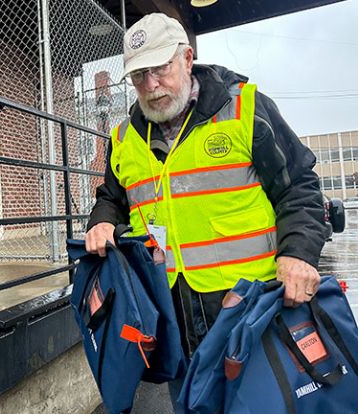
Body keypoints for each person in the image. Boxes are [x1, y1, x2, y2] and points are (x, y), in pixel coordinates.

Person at [84, 12, 326, 412]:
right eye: (139, 76)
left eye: (160, 68)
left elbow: (299, 186)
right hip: (172, 313)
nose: (151, 85)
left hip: (248, 309)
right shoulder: (124, 139)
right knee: (191, 405)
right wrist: (103, 219)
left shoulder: (245, 110)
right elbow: (112, 196)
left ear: (187, 58)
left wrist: (298, 254)